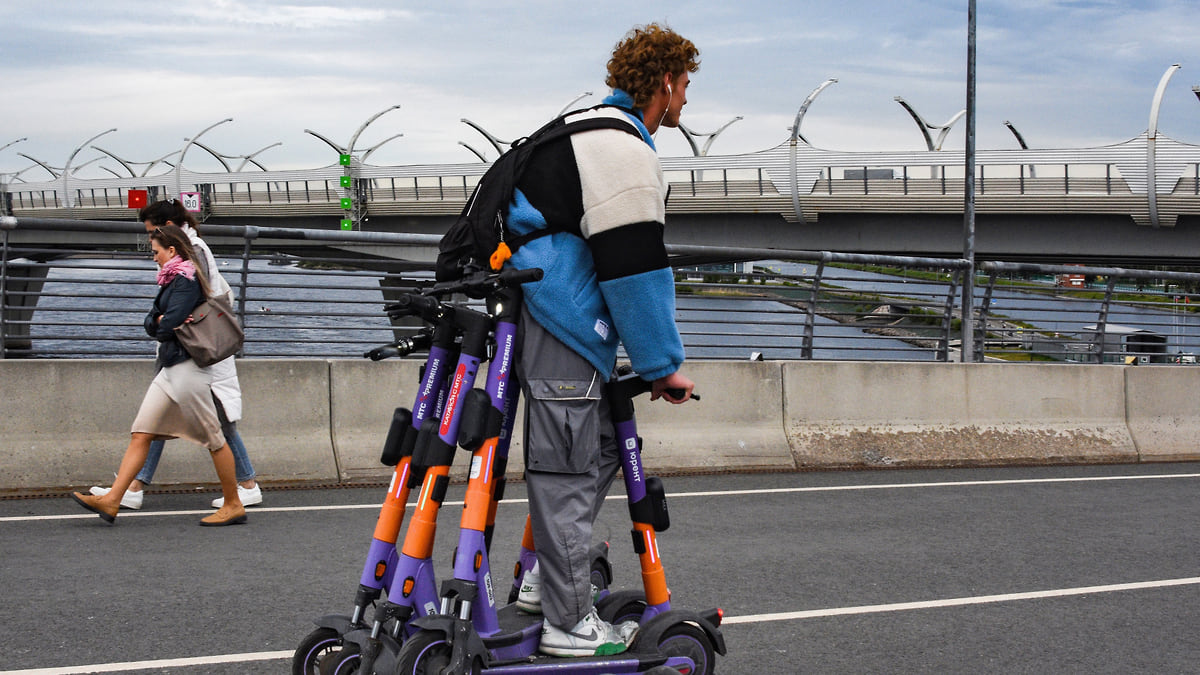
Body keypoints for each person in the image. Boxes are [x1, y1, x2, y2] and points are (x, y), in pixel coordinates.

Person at [506, 23, 698, 657]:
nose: (686, 99)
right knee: (567, 467)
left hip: (554, 312)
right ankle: (568, 624)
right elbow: (634, 267)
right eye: (685, 85)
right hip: (559, 316)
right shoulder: (620, 149)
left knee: (604, 442)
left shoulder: (588, 128)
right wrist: (663, 365)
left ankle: (548, 579)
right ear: (665, 81)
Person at [89, 200, 262, 510]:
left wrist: (161, 322)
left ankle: (244, 488)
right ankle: (132, 487)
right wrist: (160, 320)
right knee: (153, 422)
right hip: (183, 349)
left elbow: (180, 308)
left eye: (152, 233)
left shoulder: (190, 253)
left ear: (167, 227)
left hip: (194, 350)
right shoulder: (183, 251)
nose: (150, 244)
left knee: (217, 424)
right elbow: (165, 310)